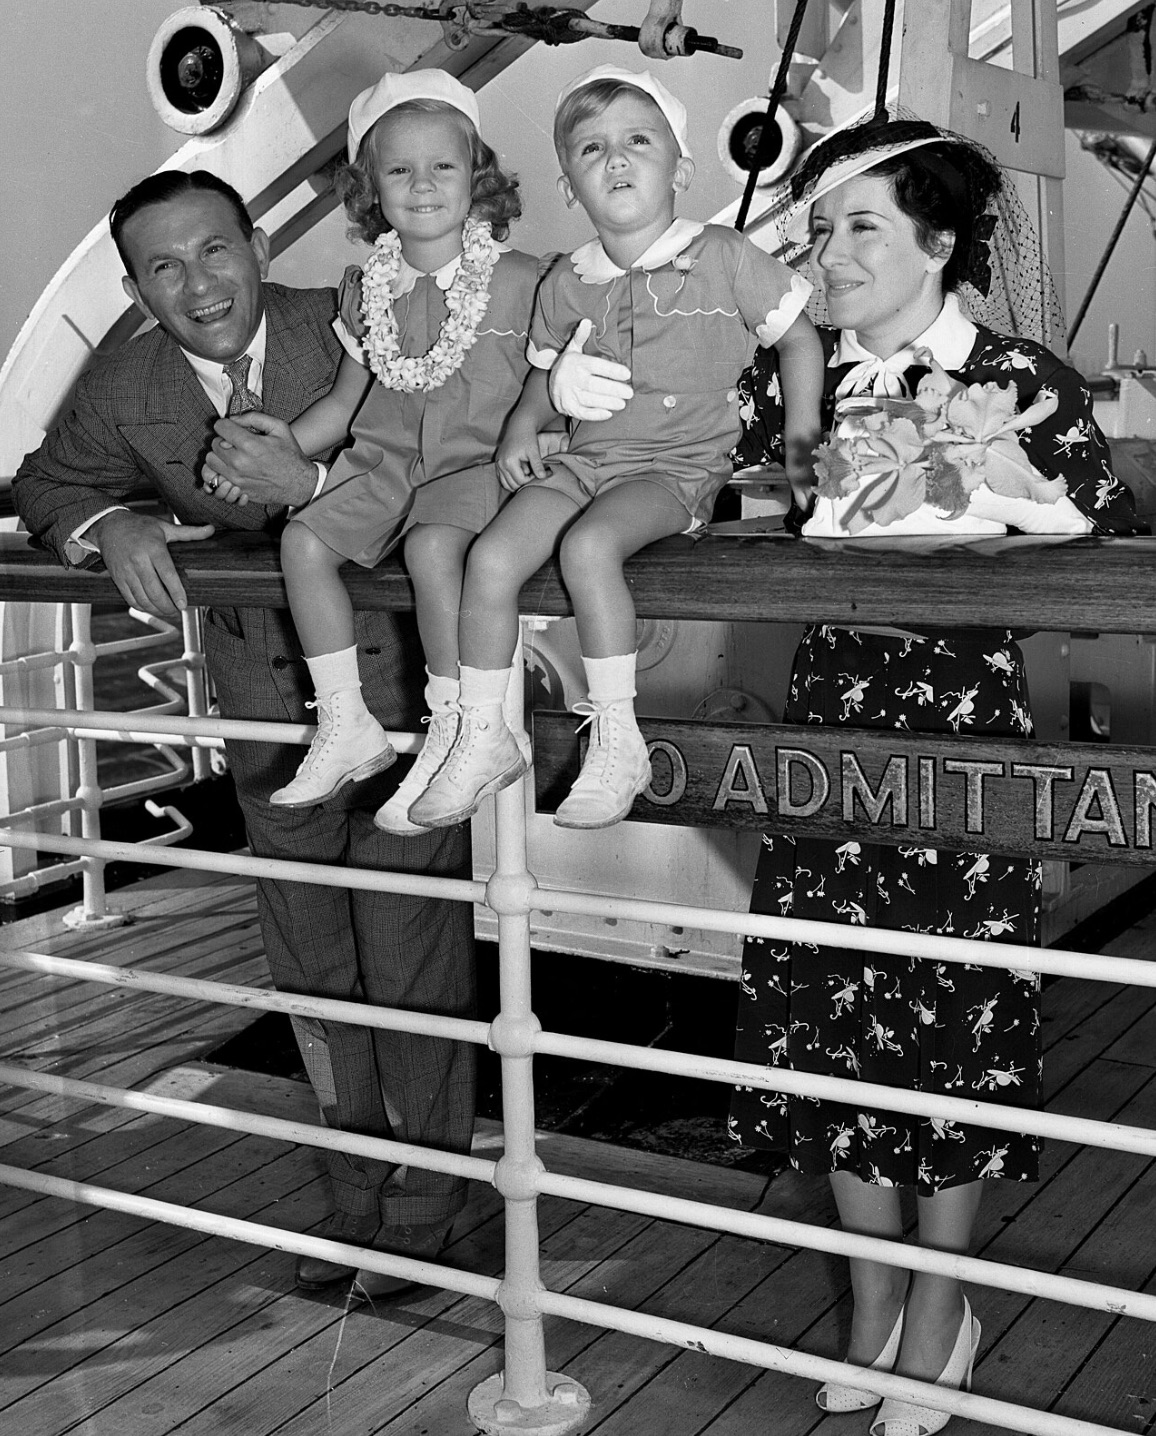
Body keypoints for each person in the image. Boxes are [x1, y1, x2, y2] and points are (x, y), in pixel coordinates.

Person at [728, 117, 1142, 1435]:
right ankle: (870, 1306)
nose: (826, 251)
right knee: (833, 1026)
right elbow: (683, 448)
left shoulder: (1016, 373)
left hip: (958, 732)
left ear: (938, 240)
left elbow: (1090, 514)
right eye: (817, 226)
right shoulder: (791, 375)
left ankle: (943, 1305)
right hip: (830, 727)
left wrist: (952, 470)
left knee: (950, 1017)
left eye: (855, 224)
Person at [12, 169, 477, 1301]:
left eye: (213, 250)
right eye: (163, 267)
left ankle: (427, 1212)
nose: (197, 284)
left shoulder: (365, 319)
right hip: (264, 715)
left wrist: (311, 476)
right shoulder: (126, 383)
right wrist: (106, 520)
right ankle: (353, 1200)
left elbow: (460, 470)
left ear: (258, 241)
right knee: (312, 957)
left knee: (411, 951)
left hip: (410, 693)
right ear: (135, 286)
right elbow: (45, 481)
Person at [408, 64, 825, 833]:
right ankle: (482, 732)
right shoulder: (568, 279)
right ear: (571, 186)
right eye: (593, 149)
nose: (617, 159)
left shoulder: (724, 254)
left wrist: (803, 450)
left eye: (638, 140)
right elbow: (541, 379)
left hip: (676, 468)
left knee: (591, 548)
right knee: (492, 559)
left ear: (681, 167)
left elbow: (799, 340)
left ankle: (618, 739)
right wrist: (524, 425)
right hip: (585, 461)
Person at [208, 70, 550, 833]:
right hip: (383, 466)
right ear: (369, 188)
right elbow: (344, 403)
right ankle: (346, 723)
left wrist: (535, 430)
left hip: (474, 467)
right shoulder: (367, 288)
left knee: (434, 551)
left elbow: (548, 382)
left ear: (478, 177)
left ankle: (459, 730)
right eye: (399, 169)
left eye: (443, 167)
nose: (422, 184)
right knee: (301, 541)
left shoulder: (523, 281)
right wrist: (276, 446)